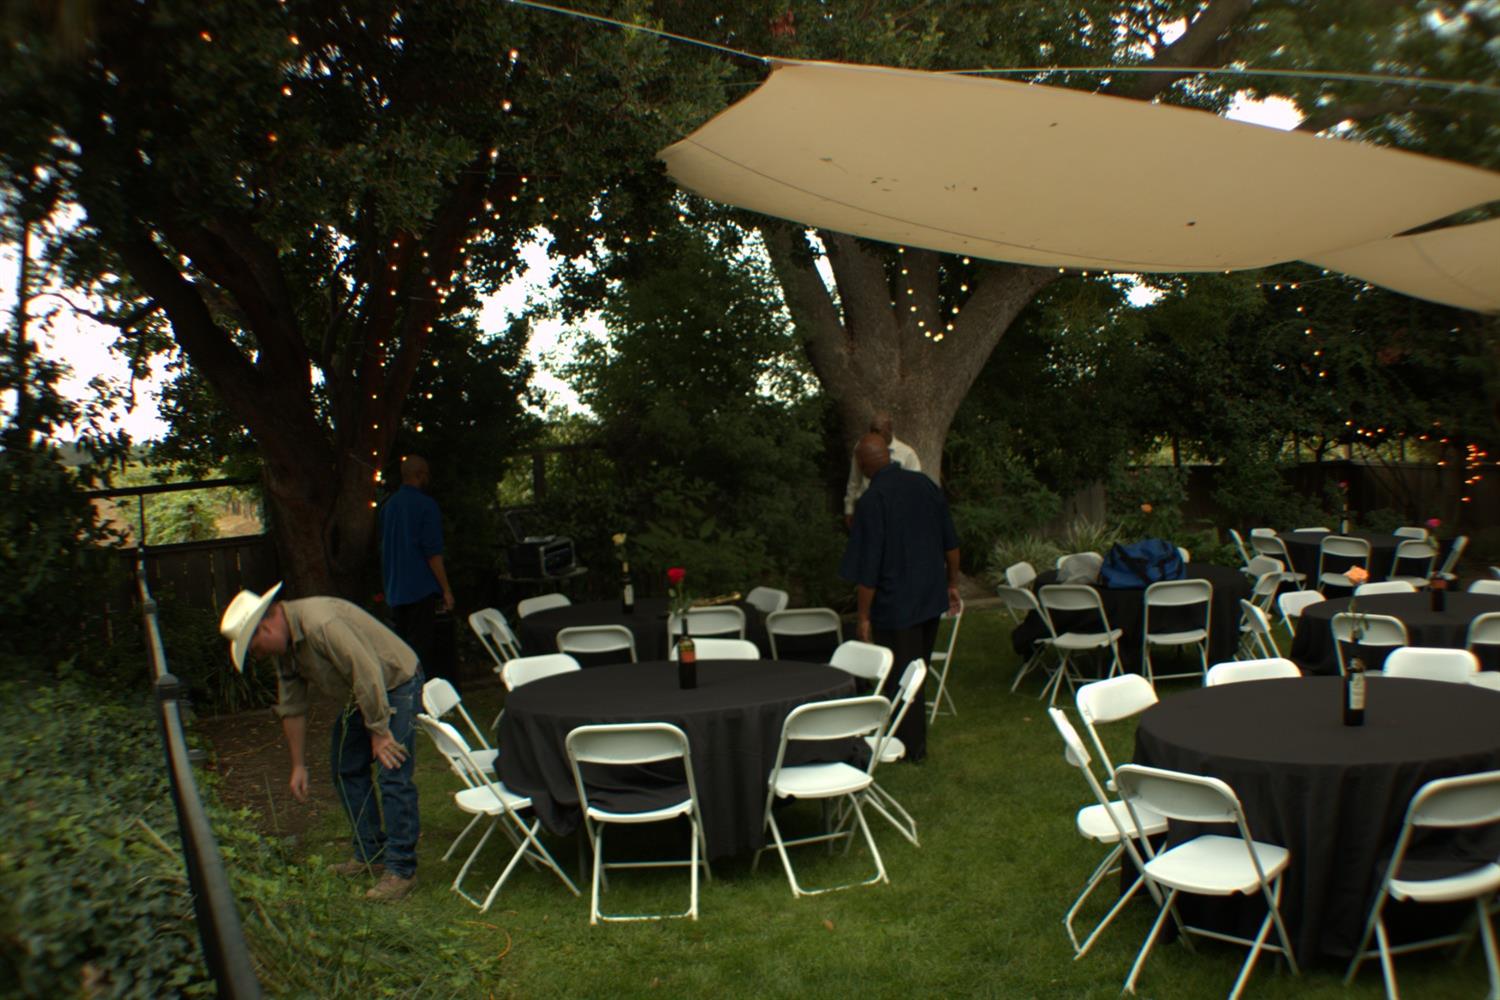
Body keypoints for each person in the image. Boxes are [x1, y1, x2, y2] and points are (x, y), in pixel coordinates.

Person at [219, 583, 422, 902]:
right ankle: (370, 853)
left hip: (395, 681)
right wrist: (298, 765)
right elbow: (292, 706)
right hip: (361, 692)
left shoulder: (321, 624)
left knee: (392, 771)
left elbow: (367, 670)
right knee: (345, 767)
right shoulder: (286, 650)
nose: (258, 656)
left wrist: (380, 732)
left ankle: (401, 870)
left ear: (267, 627)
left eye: (255, 647)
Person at [838, 432, 960, 762]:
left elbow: (868, 569)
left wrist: (863, 617)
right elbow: (951, 543)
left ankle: (910, 748)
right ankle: (901, 738)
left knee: (901, 676)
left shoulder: (872, 501)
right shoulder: (925, 485)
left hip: (896, 603)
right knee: (918, 669)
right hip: (930, 597)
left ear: (863, 465)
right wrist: (952, 583)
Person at [380, 455, 454, 676]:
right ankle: (424, 691)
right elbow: (432, 552)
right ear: (420, 475)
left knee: (402, 650)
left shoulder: (388, 507)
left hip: (395, 589)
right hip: (419, 588)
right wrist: (446, 589)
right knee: (422, 652)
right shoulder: (425, 506)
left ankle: (407, 690)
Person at [844, 412, 921, 527]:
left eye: (877, 431)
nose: (874, 434)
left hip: (894, 513)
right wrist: (849, 509)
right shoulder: (863, 448)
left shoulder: (907, 454)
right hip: (866, 508)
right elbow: (854, 479)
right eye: (872, 431)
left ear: (889, 430)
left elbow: (915, 487)